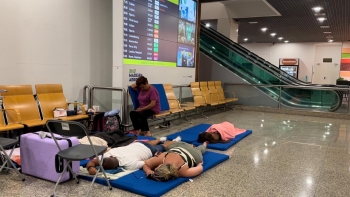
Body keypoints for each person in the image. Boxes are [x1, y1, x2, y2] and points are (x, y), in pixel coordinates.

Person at [86, 137, 176, 175]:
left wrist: (90, 168)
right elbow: (93, 161)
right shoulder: (108, 154)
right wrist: (90, 167)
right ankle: (160, 139)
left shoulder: (130, 165)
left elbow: (147, 163)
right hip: (139, 145)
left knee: (164, 146)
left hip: (148, 150)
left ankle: (173, 141)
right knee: (153, 144)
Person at [142, 140, 207, 181]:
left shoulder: (181, 172)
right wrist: (148, 170)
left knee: (200, 150)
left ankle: (203, 145)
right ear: (160, 165)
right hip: (180, 148)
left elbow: (199, 169)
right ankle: (193, 146)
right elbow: (145, 164)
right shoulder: (162, 159)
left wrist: (199, 164)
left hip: (193, 154)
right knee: (170, 144)